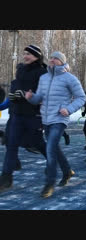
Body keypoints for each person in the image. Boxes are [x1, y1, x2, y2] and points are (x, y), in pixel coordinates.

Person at [25, 51, 86, 198]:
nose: (51, 60)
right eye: (51, 58)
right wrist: (31, 97)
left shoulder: (70, 78)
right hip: (46, 119)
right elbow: (39, 98)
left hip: (59, 119)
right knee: (54, 148)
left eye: (55, 58)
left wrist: (69, 109)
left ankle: (49, 183)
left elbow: (81, 97)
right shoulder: (44, 78)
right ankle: (67, 171)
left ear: (62, 61)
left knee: (50, 148)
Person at [0, 45, 48, 193]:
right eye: (25, 53)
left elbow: (45, 96)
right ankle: (6, 178)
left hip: (33, 115)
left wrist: (27, 96)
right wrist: (12, 97)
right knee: (11, 143)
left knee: (36, 143)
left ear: (37, 57)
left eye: (29, 54)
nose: (26, 56)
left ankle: (54, 160)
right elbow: (14, 93)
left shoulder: (43, 74)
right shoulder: (20, 71)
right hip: (16, 114)